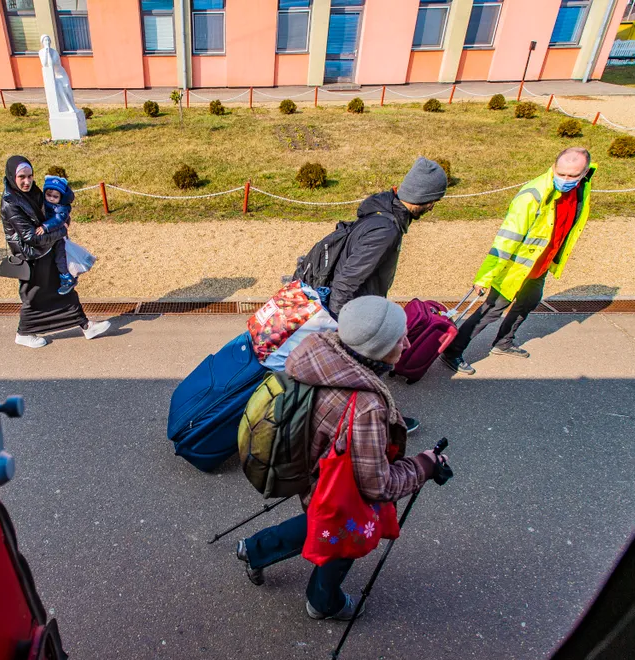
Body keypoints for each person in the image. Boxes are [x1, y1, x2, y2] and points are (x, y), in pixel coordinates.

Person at [235, 296, 447, 620]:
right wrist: (424, 465)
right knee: (343, 538)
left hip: (306, 469)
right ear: (374, 349)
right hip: (336, 487)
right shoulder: (366, 406)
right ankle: (323, 603)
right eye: (398, 338)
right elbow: (377, 486)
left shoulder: (320, 354)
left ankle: (255, 550)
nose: (406, 342)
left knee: (316, 522)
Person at [295, 157, 448, 435]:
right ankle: (384, 424)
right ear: (423, 198)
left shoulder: (382, 211)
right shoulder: (386, 229)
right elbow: (347, 279)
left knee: (360, 372)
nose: (433, 207)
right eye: (433, 200)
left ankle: (357, 420)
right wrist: (341, 326)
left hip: (355, 306)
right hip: (353, 311)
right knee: (369, 370)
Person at [441, 148, 596, 375]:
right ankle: (452, 352)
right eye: (561, 173)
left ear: (584, 173)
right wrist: (485, 276)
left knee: (529, 302)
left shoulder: (582, 190)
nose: (565, 180)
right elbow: (507, 238)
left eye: (573, 176)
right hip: (516, 268)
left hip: (539, 267)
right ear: (553, 167)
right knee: (491, 311)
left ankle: (503, 343)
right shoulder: (532, 195)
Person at [0, 155, 110, 348]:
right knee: (33, 296)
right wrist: (61, 230)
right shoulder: (10, 202)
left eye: (30, 176)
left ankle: (86, 325)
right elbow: (30, 237)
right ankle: (23, 333)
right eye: (21, 177)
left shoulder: (33, 192)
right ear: (12, 177)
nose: (27, 181)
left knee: (64, 288)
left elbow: (53, 210)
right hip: (31, 256)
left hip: (46, 251)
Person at [41, 175, 77, 295]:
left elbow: (58, 219)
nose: (51, 198)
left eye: (55, 196)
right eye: (48, 195)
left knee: (60, 257)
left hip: (58, 237)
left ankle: (66, 277)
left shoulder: (61, 208)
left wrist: (45, 227)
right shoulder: (45, 203)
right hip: (51, 236)